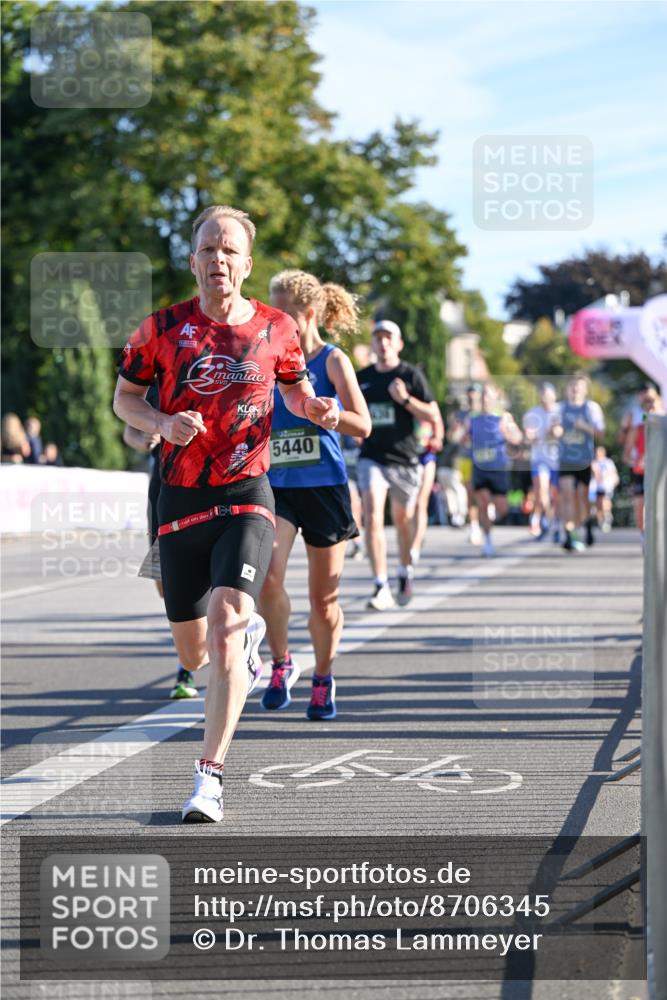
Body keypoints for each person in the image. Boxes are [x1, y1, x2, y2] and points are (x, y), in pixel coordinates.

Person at [114, 204, 339, 823]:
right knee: (194, 653)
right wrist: (161, 422)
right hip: (178, 497)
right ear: (193, 262)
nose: (218, 259)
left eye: (230, 250)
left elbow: (292, 385)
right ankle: (236, 649)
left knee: (228, 620)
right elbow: (124, 399)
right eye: (208, 249)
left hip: (247, 493)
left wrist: (311, 405)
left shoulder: (277, 329)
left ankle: (208, 779)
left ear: (246, 262)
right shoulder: (158, 329)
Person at [258, 270, 371, 720]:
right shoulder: (265, 359)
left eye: (282, 314)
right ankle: (282, 663)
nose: (273, 322)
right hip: (278, 485)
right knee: (268, 578)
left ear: (307, 315)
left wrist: (333, 415)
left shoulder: (331, 361)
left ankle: (323, 676)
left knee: (323, 598)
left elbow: (363, 426)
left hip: (324, 487)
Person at [356, 320, 440, 608]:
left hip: (404, 458)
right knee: (373, 516)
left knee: (403, 521)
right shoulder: (362, 377)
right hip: (372, 457)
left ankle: (404, 571)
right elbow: (349, 407)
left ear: (399, 343)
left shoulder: (410, 375)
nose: (383, 343)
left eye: (388, 337)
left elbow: (431, 413)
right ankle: (380, 585)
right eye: (378, 337)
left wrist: (405, 399)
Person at [123, 397, 197, 701]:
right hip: (163, 488)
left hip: (209, 482)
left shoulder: (214, 367)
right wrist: (143, 440)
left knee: (215, 574)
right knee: (165, 585)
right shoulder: (156, 373)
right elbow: (129, 429)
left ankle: (187, 667)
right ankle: (192, 650)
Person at [470, 383, 523, 557]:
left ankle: (492, 516)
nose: (485, 399)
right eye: (483, 395)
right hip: (480, 468)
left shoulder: (503, 417)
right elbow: (458, 438)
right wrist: (459, 432)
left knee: (502, 509)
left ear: (495, 399)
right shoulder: (473, 418)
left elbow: (518, 438)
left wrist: (508, 433)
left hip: (498, 467)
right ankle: (488, 541)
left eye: (488, 396)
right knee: (483, 503)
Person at [558, 372, 605, 551]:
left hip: (584, 459)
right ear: (567, 389)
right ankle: (569, 534)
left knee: (582, 497)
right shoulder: (560, 409)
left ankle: (586, 524)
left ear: (585, 390)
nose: (575, 390)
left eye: (579, 387)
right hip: (566, 458)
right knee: (568, 495)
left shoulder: (591, 408)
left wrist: (584, 426)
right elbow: (551, 429)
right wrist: (553, 431)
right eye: (572, 386)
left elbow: (601, 434)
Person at [522, 382, 561, 541]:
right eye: (542, 394)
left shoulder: (561, 410)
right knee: (541, 490)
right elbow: (529, 436)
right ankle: (543, 520)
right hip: (540, 458)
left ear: (554, 396)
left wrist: (553, 431)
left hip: (558, 459)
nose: (545, 398)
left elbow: (559, 433)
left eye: (548, 394)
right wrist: (532, 436)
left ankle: (555, 523)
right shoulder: (532, 414)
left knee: (557, 496)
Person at [623, 387, 662, 547]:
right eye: (647, 403)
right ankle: (644, 534)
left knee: (659, 505)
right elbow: (626, 454)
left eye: (653, 402)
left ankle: (658, 535)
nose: (651, 406)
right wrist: (636, 461)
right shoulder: (637, 428)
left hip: (661, 471)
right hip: (640, 472)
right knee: (640, 506)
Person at [448, 385, 483, 545]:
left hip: (483, 459)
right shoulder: (460, 415)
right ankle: (474, 526)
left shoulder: (485, 414)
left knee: (482, 494)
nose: (471, 399)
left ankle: (485, 517)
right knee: (469, 492)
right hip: (465, 458)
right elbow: (452, 438)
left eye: (474, 396)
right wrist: (459, 431)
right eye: (469, 396)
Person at [410, 415, 444, 565]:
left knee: (421, 502)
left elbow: (438, 432)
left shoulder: (427, 406)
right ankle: (413, 536)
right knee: (408, 505)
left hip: (426, 457)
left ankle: (415, 546)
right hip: (406, 457)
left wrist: (435, 439)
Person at [590, 446, 619, 532]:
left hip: (606, 486)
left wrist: (613, 481)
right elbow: (595, 474)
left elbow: (613, 473)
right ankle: (600, 520)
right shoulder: (594, 462)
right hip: (596, 487)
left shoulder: (608, 462)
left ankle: (607, 517)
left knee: (605, 500)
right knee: (598, 503)